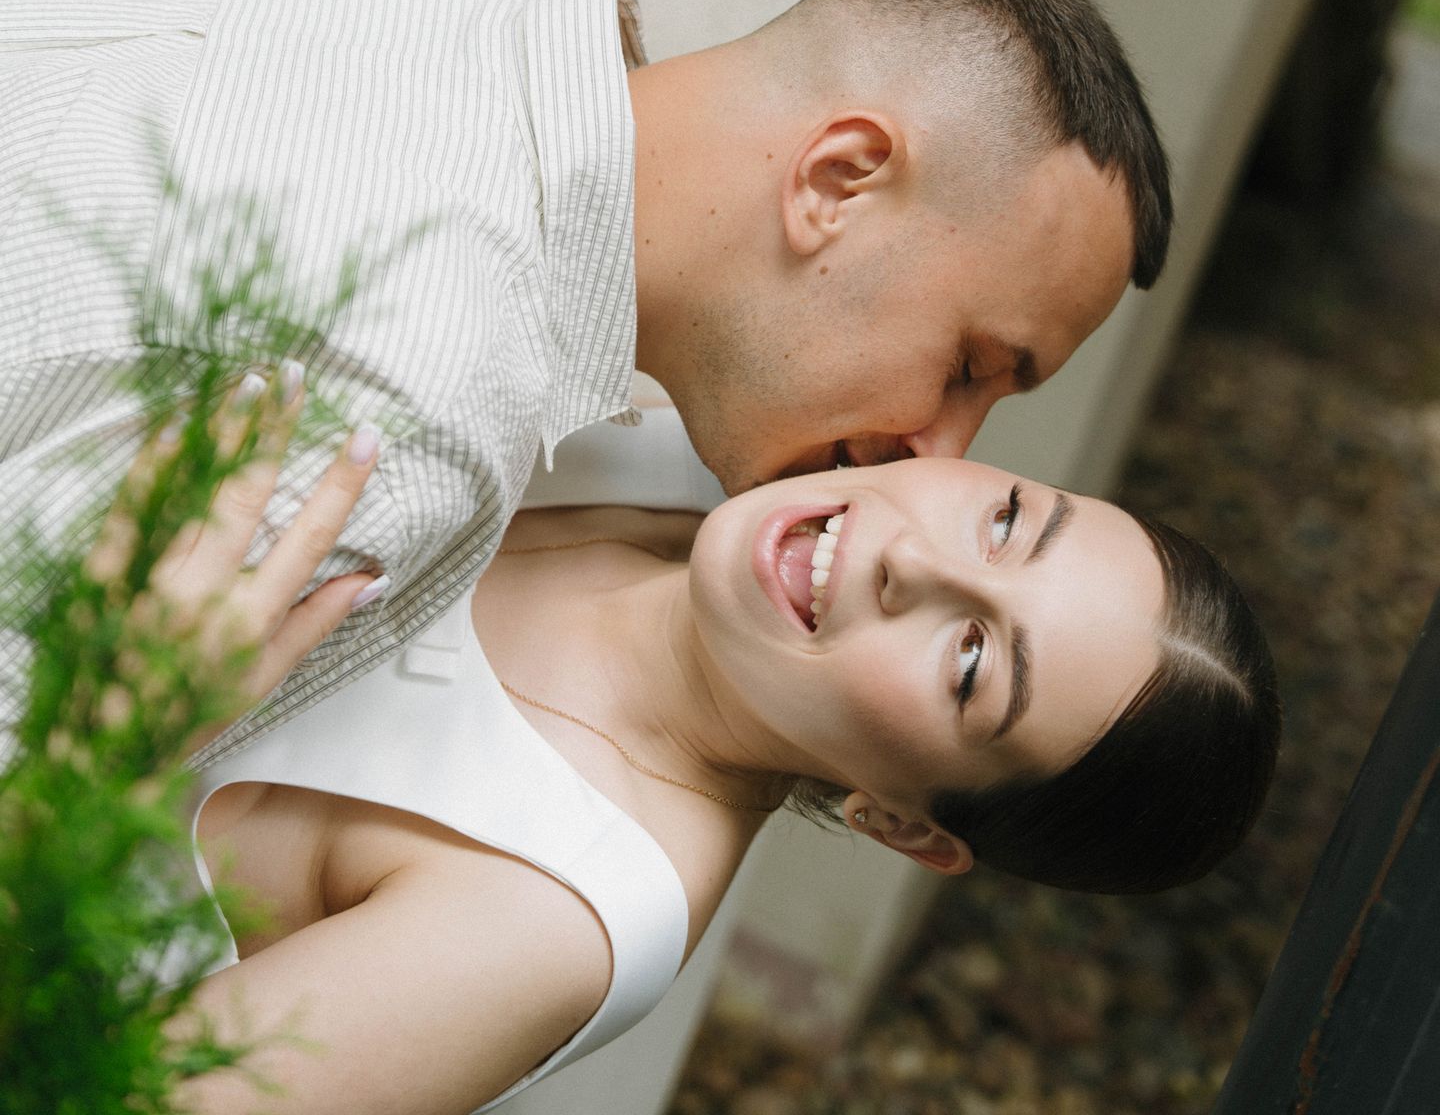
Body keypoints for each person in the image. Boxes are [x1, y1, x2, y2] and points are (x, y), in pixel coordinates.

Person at [0, 0, 1170, 759]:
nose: (940, 454)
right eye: (968, 367)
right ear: (840, 180)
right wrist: (102, 766)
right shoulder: (416, 411)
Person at [136, 384, 1276, 1114]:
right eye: (1008, 521)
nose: (913, 561)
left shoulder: (550, 914)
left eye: (970, 662)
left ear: (902, 824)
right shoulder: (699, 433)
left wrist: (113, 725)